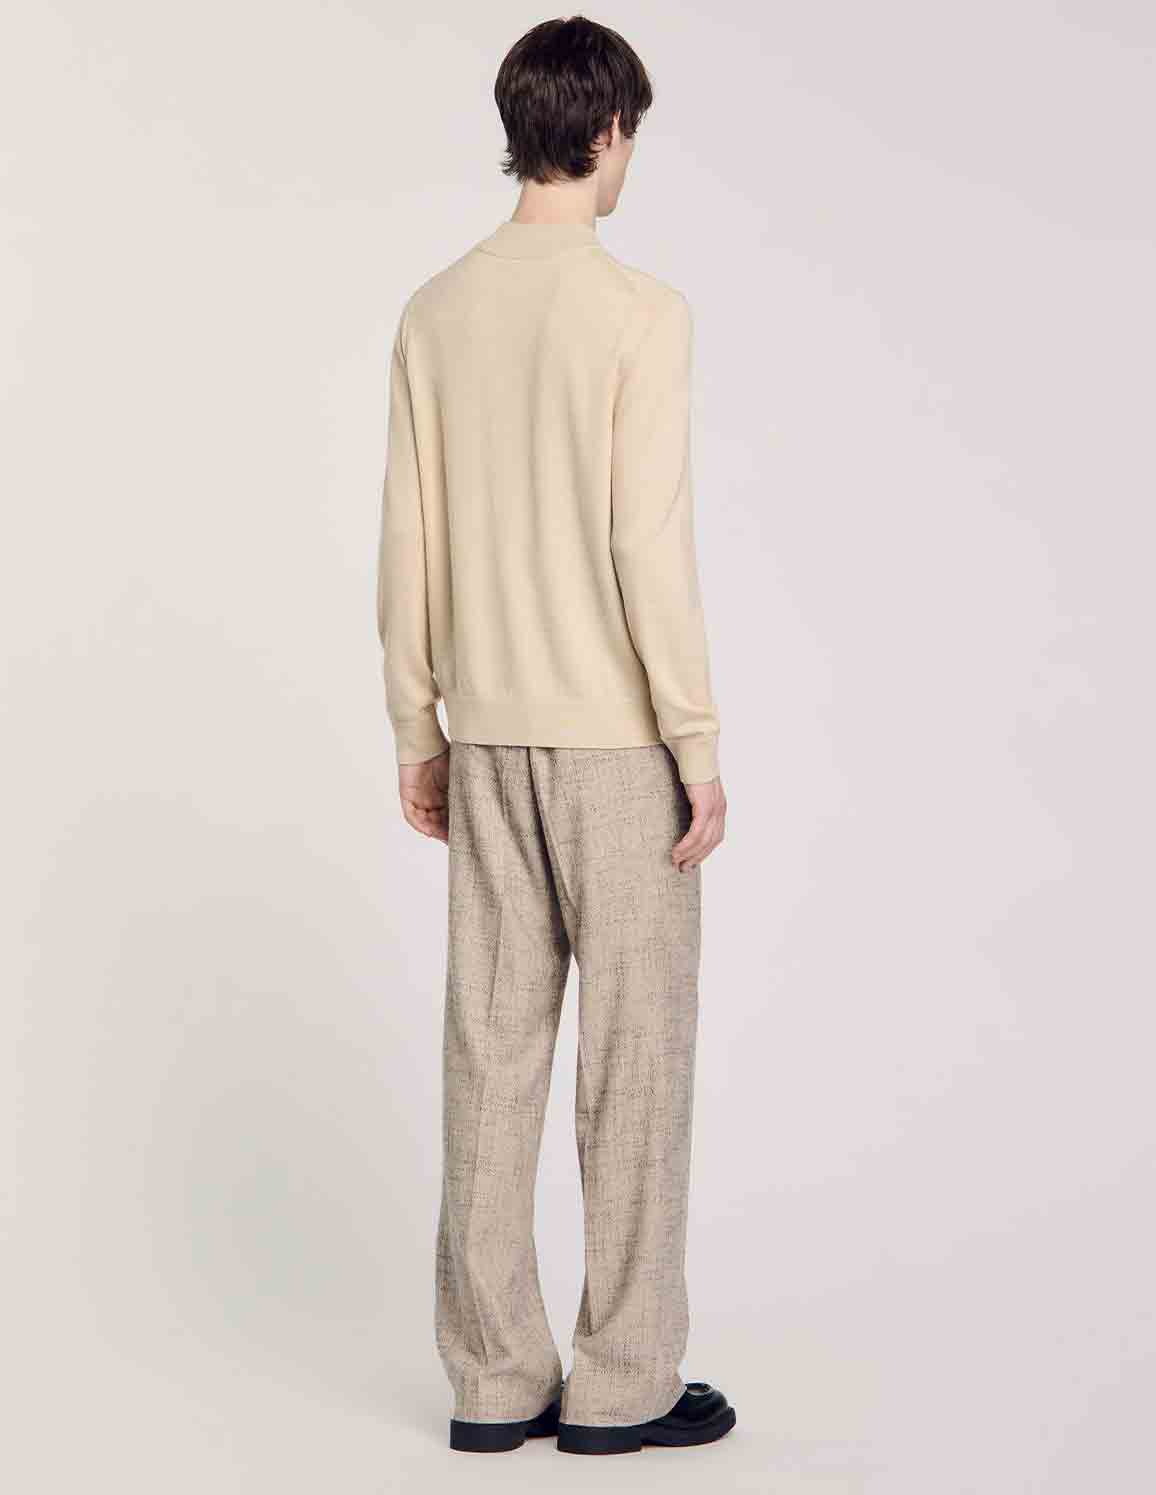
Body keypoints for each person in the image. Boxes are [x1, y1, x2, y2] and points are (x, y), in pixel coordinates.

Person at [376, 15, 733, 1457]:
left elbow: (408, 543)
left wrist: (418, 725)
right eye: (632, 134)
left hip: (489, 738)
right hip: (616, 746)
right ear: (608, 131)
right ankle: (623, 1383)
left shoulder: (435, 311)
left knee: (493, 1054)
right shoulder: (641, 312)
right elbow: (649, 547)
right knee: (632, 1066)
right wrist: (697, 748)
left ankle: (492, 1380)